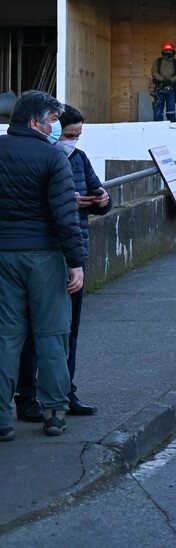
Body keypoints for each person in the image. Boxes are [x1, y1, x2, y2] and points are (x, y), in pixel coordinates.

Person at [14, 105, 110, 421]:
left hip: (72, 251)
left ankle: (64, 393)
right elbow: (39, 205)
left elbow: (98, 195)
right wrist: (72, 202)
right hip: (45, 253)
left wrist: (102, 201)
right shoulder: (41, 157)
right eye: (69, 134)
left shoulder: (79, 159)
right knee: (31, 331)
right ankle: (28, 397)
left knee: (68, 330)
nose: (73, 141)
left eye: (77, 136)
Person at [0, 91, 86, 439]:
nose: (56, 127)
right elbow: (66, 217)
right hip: (46, 256)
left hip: (4, 255)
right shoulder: (53, 159)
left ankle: (3, 420)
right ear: (36, 122)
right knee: (52, 334)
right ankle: (54, 412)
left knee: (6, 336)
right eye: (52, 120)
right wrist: (76, 262)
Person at [151, 42, 176, 122]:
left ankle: (172, 130)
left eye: (170, 51)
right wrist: (163, 80)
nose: (168, 52)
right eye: (166, 51)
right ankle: (157, 129)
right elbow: (154, 73)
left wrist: (170, 81)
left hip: (171, 90)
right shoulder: (158, 61)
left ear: (173, 52)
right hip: (159, 89)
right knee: (158, 112)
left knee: (171, 112)